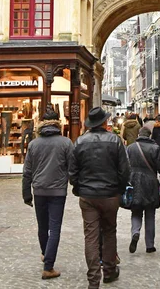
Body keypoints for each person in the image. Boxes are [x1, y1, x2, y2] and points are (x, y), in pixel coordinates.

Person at [69, 107, 130, 289]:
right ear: (104, 123)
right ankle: (109, 271)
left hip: (88, 196)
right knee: (109, 232)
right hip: (110, 195)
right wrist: (118, 190)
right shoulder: (115, 141)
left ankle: (93, 280)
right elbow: (125, 171)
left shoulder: (80, 142)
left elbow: (72, 172)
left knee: (91, 237)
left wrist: (79, 188)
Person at [22, 110, 74, 280]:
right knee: (55, 227)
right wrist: (75, 185)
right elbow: (72, 168)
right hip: (58, 191)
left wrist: (26, 194)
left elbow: (27, 171)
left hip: (39, 190)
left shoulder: (34, 144)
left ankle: (46, 254)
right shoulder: (66, 143)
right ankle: (48, 266)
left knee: (42, 226)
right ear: (57, 123)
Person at [127, 127, 160, 254]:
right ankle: (150, 245)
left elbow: (125, 166)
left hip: (134, 182)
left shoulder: (131, 148)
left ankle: (135, 232)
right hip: (150, 182)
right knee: (150, 214)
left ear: (139, 134)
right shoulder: (155, 148)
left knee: (136, 210)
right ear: (149, 136)